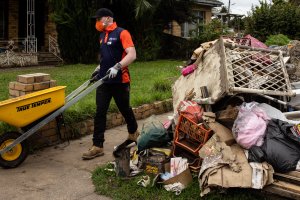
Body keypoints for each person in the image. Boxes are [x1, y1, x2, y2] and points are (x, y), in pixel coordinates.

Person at [82, 8, 139, 160]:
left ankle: (133, 132)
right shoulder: (102, 35)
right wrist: (99, 68)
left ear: (107, 18)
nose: (97, 22)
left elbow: (132, 54)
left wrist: (117, 66)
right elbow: (105, 56)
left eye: (98, 19)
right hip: (104, 81)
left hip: (120, 81)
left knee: (125, 109)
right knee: (100, 112)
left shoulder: (122, 33)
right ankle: (97, 146)